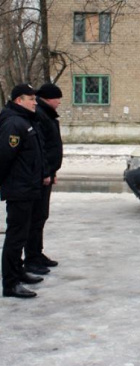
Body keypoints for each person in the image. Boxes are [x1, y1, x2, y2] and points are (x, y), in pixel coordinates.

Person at [0, 84, 51, 298]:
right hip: (19, 190)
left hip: (28, 188)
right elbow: (4, 158)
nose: (35, 102)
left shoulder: (26, 121)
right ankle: (10, 284)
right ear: (19, 100)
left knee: (21, 236)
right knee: (15, 237)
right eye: (31, 99)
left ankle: (19, 272)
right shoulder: (13, 123)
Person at [23, 83, 63, 274]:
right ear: (48, 98)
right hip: (40, 177)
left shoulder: (47, 114)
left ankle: (37, 253)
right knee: (36, 218)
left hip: (46, 175)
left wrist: (52, 172)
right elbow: (41, 149)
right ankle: (31, 258)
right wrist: (46, 172)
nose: (60, 102)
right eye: (58, 98)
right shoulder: (40, 115)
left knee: (41, 216)